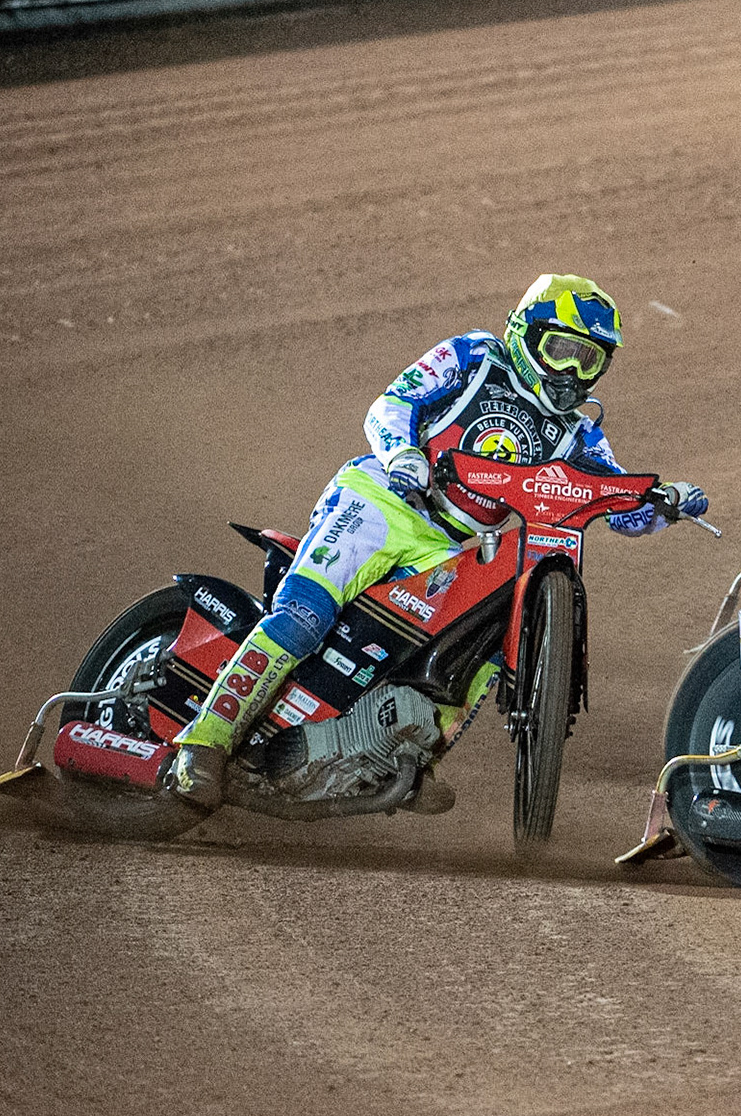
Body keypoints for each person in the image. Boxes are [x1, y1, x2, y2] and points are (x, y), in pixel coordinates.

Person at [168, 274, 709, 812]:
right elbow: (391, 403)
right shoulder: (475, 355)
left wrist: (665, 503)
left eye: (588, 360)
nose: (571, 372)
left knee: (483, 647)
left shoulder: (582, 434)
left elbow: (615, 505)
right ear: (525, 332)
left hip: (456, 546)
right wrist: (403, 453)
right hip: (387, 499)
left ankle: (408, 753)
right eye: (562, 350)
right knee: (304, 615)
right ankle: (204, 743)